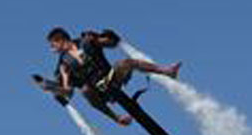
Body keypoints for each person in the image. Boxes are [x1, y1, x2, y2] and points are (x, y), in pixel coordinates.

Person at [46, 26, 181, 126]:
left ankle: (167, 71)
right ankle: (117, 118)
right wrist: (54, 88)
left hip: (111, 77)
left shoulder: (85, 41)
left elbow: (112, 43)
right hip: (98, 91)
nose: (52, 49)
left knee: (124, 63)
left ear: (60, 40)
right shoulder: (64, 65)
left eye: (53, 45)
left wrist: (106, 37)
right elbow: (68, 91)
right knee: (85, 91)